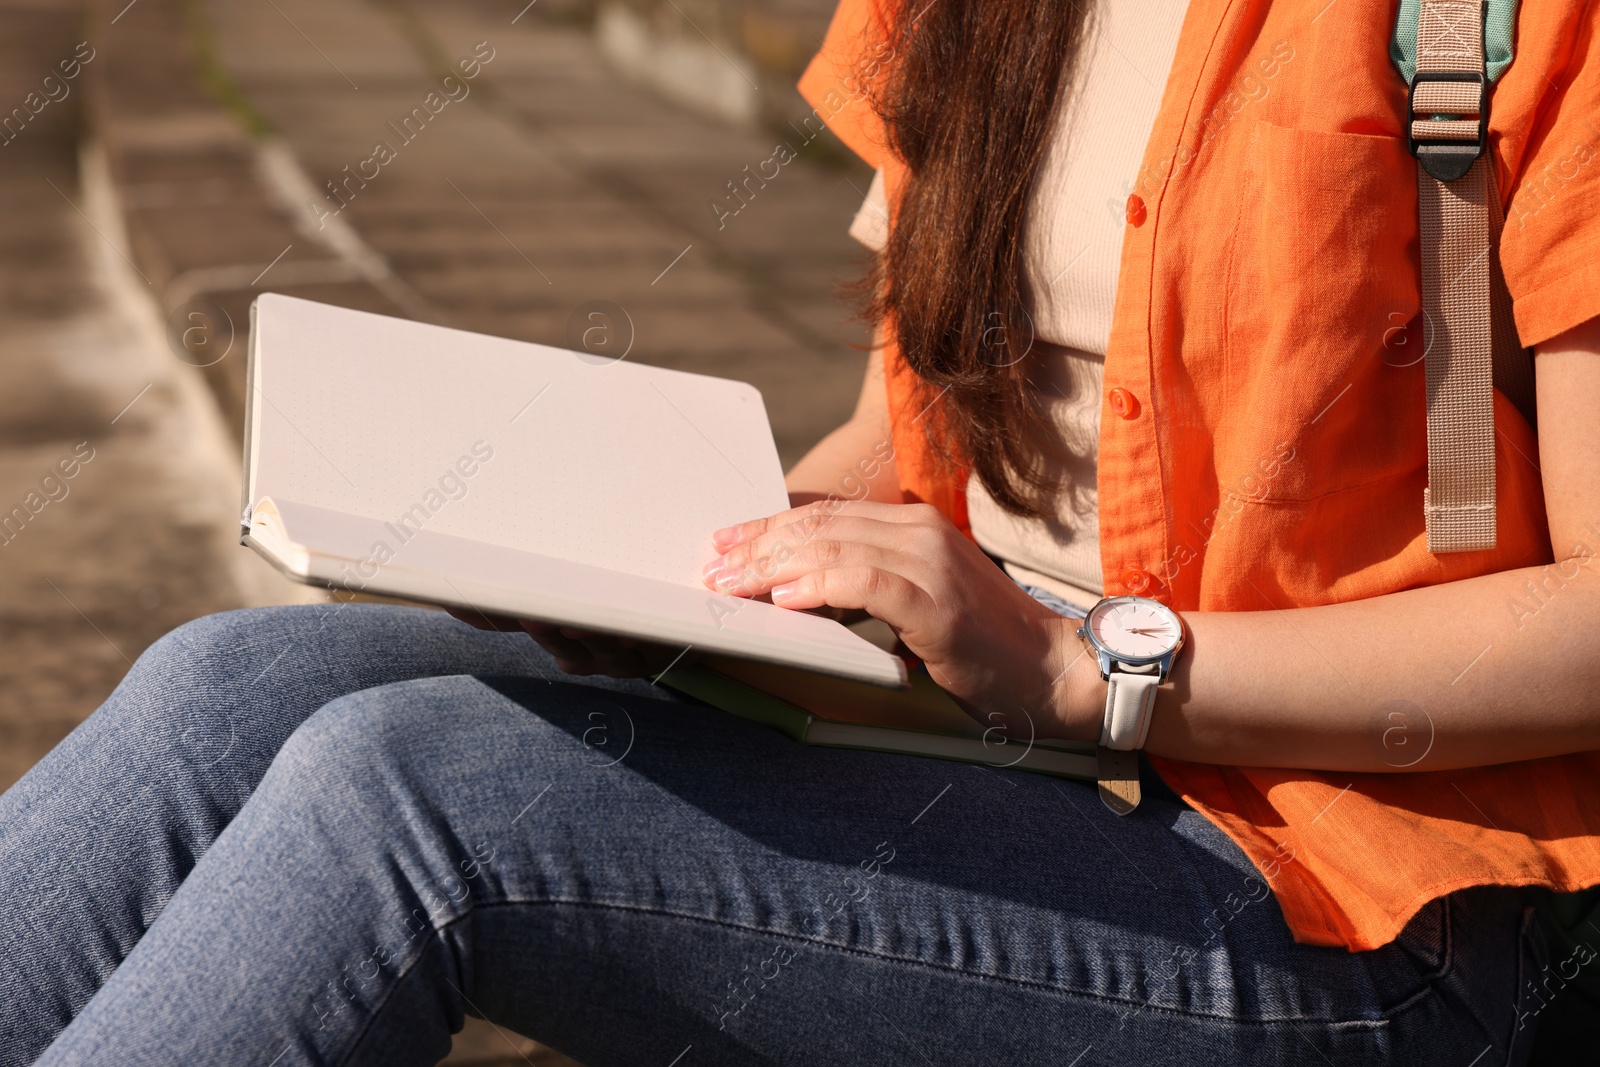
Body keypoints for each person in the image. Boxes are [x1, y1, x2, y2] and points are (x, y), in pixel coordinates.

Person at [4, 0, 1599, 1063]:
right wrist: (687, 573)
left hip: (1369, 888)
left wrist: (1070, 663)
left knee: (408, 799)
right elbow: (892, 435)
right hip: (961, 718)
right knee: (227, 692)